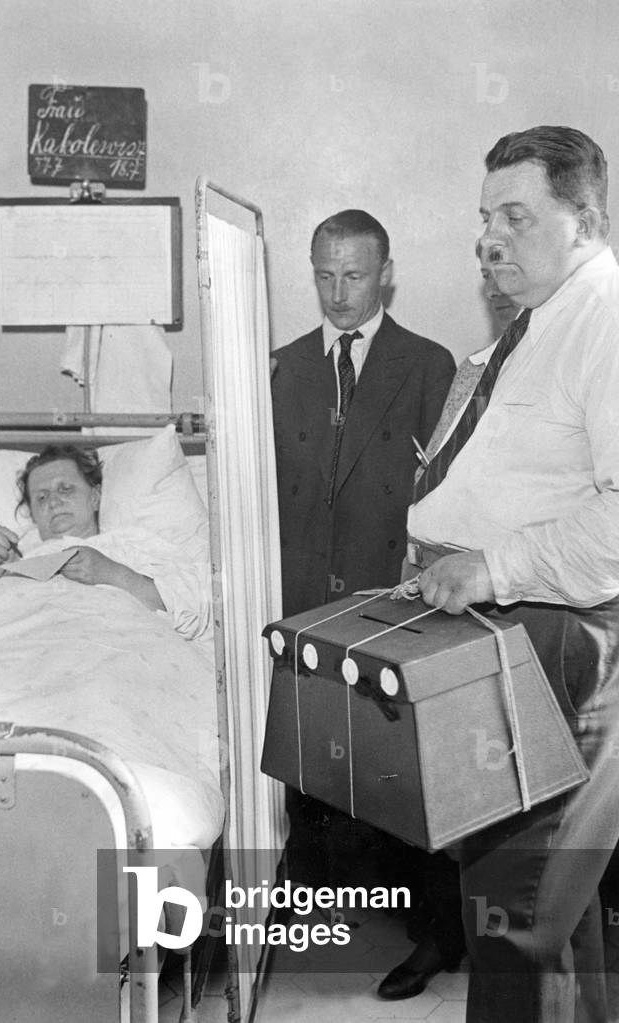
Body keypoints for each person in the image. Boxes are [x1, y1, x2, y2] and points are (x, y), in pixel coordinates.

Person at [408, 126, 619, 1021]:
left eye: (517, 216)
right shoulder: (535, 325)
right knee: (545, 914)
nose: (491, 238)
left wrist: (488, 562)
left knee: (516, 908)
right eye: (484, 217)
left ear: (584, 216)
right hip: (500, 638)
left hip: (553, 642)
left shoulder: (607, 318)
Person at [271, 209, 455, 896]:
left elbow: (447, 494)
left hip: (390, 593)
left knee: (400, 764)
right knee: (308, 763)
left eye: (353, 275)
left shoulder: (428, 364)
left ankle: (429, 925)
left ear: (387, 275)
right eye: (324, 275)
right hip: (304, 595)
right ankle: (311, 899)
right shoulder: (282, 368)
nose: (338, 293)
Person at [377, 258, 523, 1001]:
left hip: (520, 593)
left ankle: (504, 947)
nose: (497, 284)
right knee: (435, 770)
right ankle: (441, 934)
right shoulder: (469, 370)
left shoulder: (575, 363)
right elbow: (436, 471)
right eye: (487, 272)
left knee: (514, 789)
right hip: (443, 586)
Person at [0, 445, 165, 612]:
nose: (54, 502)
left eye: (66, 489)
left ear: (95, 497)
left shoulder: (129, 545)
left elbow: (185, 607)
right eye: (42, 497)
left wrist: (113, 574)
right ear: (33, 514)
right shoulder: (16, 560)